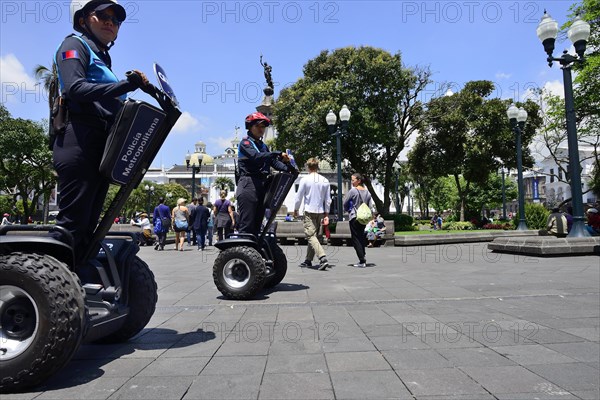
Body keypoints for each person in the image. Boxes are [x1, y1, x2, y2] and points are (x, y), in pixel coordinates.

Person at [52, 0, 149, 266]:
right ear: (83, 19)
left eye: (116, 19)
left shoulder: (102, 57)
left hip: (100, 143)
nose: (110, 22)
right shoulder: (74, 45)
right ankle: (47, 285)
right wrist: (122, 87)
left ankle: (75, 283)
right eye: (103, 15)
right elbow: (74, 89)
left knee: (90, 224)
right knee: (73, 223)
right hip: (79, 139)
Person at [235, 112, 291, 237]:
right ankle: (243, 254)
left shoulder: (263, 146)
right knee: (247, 224)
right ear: (250, 127)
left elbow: (273, 162)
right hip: (248, 184)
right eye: (258, 126)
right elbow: (256, 157)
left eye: (263, 127)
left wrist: (288, 168)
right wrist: (277, 153)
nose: (261, 129)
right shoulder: (245, 143)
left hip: (261, 185)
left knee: (257, 224)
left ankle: (254, 253)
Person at [293, 157, 332, 270]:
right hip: (320, 211)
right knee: (315, 236)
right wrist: (326, 214)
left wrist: (296, 209)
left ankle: (322, 257)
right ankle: (308, 260)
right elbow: (328, 199)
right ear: (317, 166)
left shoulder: (305, 180)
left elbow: (298, 197)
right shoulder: (325, 180)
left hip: (309, 210)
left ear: (308, 167)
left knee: (310, 235)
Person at [343, 173, 372, 268]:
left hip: (354, 216)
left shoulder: (353, 191)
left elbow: (345, 202)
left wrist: (348, 210)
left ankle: (362, 260)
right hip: (363, 218)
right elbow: (370, 206)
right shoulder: (367, 192)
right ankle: (363, 255)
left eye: (353, 180)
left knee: (356, 238)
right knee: (361, 236)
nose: (352, 182)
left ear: (358, 180)